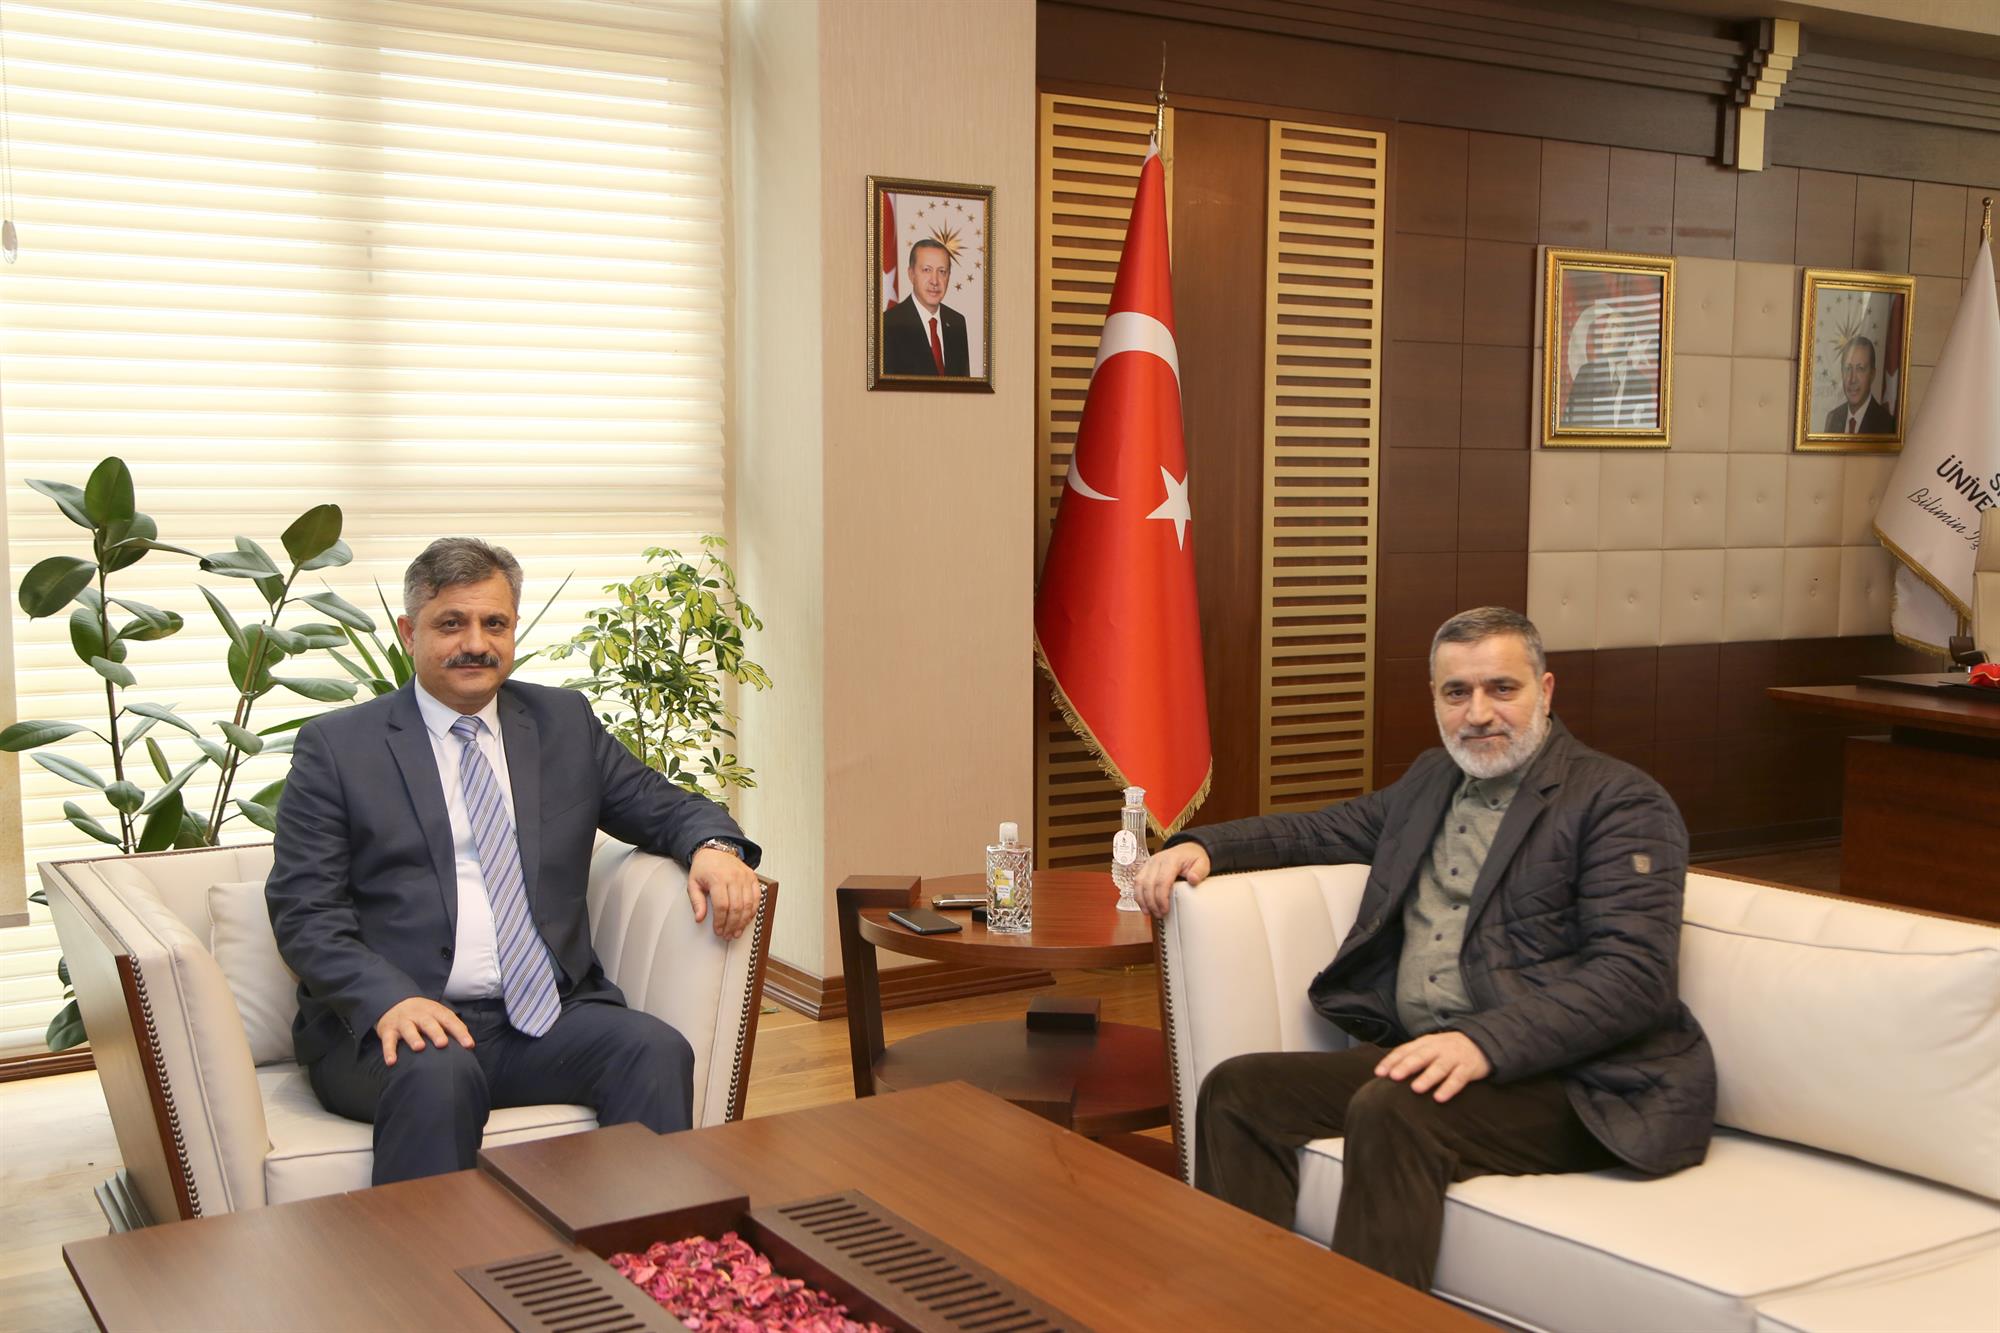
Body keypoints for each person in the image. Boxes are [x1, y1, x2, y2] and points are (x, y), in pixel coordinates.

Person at [1134, 606, 1714, 1291]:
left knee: (1393, 1109)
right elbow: (1322, 831)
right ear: (1435, 699)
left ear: (1545, 689)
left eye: (1502, 688)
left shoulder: (1619, 801)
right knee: (1238, 1091)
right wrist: (1204, 845)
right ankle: (1243, 1309)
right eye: (1456, 692)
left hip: (1580, 1083)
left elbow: (1634, 977)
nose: (1479, 713)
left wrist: (1484, 1042)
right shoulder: (1432, 781)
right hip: (1437, 1060)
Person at [266, 537, 762, 1185]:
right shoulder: (338, 748)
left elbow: (661, 805)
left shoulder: (563, 722)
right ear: (410, 632)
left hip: (548, 1016)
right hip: (401, 1024)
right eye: (452, 623)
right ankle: (431, 1255)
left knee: (654, 1050)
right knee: (439, 1074)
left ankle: (648, 1244)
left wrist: (714, 848)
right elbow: (305, 911)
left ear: (514, 628)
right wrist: (389, 999)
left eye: (494, 623)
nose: (476, 643)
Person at [882, 238, 970, 376]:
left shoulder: (956, 322)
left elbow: (963, 385)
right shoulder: (888, 324)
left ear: (948, 276)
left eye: (942, 271)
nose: (935, 281)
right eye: (927, 270)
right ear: (911, 274)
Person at [1823, 335, 1896, 434]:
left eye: (1860, 369)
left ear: (1872, 374)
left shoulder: (1887, 425)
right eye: (1848, 368)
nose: (1853, 379)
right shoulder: (1832, 418)